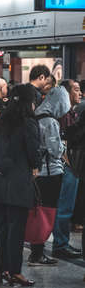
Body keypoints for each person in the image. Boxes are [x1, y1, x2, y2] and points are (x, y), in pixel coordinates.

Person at [0, 84, 41, 286]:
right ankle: (15, 271)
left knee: (1, 228)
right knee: (16, 229)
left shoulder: (0, 122)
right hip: (18, 184)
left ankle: (2, 270)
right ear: (29, 102)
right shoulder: (28, 123)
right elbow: (34, 155)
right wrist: (36, 164)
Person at [27, 85, 71, 266]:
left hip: (37, 173)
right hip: (50, 173)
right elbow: (55, 150)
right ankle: (37, 254)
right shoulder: (50, 122)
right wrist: (64, 148)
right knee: (47, 213)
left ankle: (36, 251)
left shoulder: (35, 115)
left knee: (38, 212)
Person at [52, 79, 83, 259]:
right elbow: (62, 142)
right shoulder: (63, 115)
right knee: (64, 207)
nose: (80, 93)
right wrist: (68, 162)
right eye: (76, 90)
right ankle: (60, 245)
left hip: (72, 165)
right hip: (68, 166)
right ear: (66, 93)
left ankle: (62, 242)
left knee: (67, 207)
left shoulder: (72, 113)